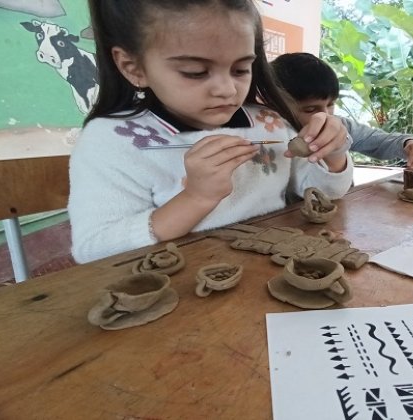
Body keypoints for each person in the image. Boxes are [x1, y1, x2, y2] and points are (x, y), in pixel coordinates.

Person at [69, 0, 354, 263]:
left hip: (272, 270)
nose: (228, 90)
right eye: (196, 72)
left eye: (241, 69)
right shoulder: (111, 141)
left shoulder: (268, 122)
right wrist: (196, 198)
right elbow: (93, 248)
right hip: (182, 293)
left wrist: (334, 155)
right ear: (133, 67)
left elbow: (319, 195)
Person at [270, 52, 413, 168]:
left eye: (330, 104)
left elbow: (379, 142)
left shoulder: (342, 126)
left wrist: (410, 143)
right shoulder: (268, 134)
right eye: (311, 109)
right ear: (276, 104)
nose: (325, 115)